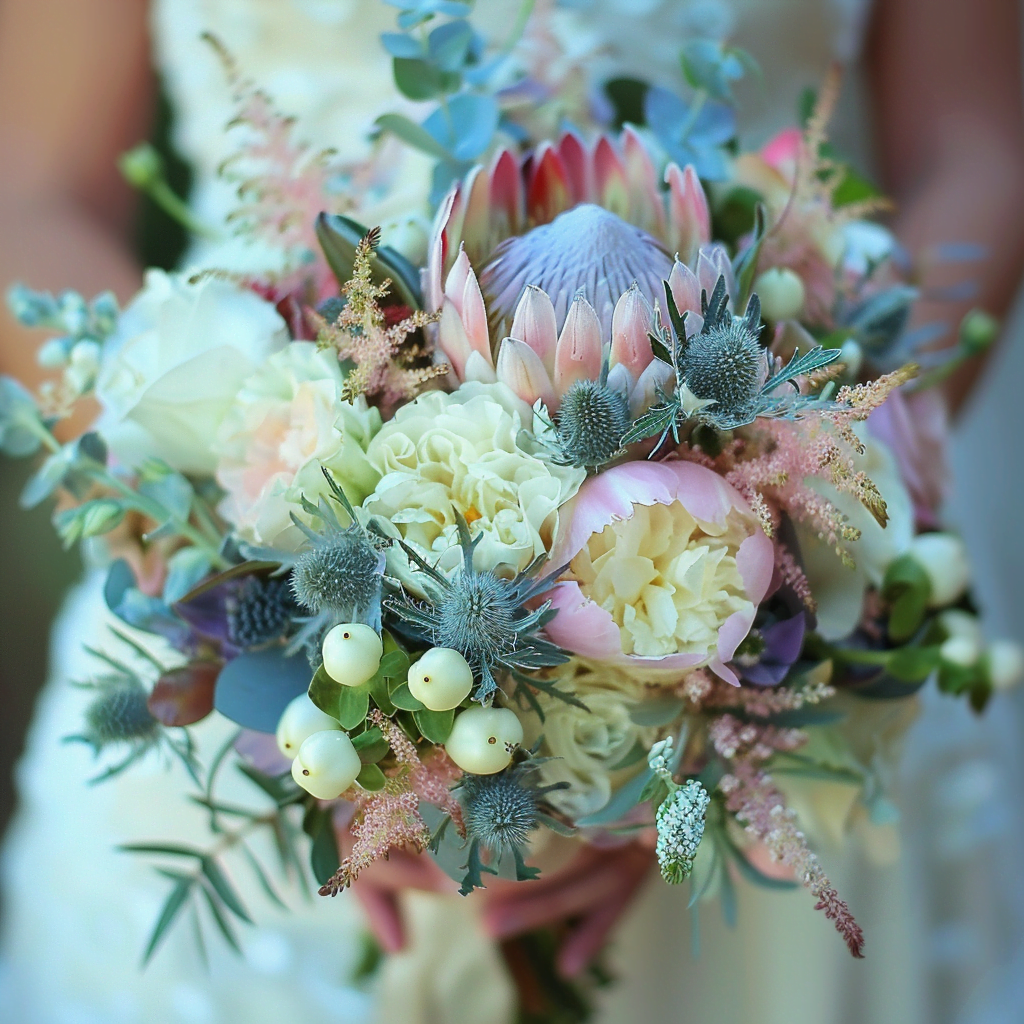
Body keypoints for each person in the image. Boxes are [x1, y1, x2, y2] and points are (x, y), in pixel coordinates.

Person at [1, 1, 1024, 1022]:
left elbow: (978, 156)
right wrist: (235, 509)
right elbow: (29, 197)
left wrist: (686, 671)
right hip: (255, 615)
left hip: (762, 731)